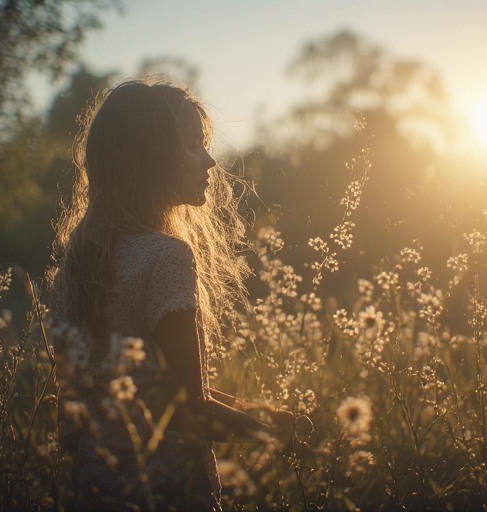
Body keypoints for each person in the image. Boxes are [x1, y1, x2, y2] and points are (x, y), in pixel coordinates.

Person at [48, 77, 309, 511]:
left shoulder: (78, 266)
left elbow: (78, 421)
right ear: (149, 160)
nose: (209, 160)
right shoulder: (166, 256)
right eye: (192, 146)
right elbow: (191, 411)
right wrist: (274, 434)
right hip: (167, 492)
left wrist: (257, 411)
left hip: (92, 491)